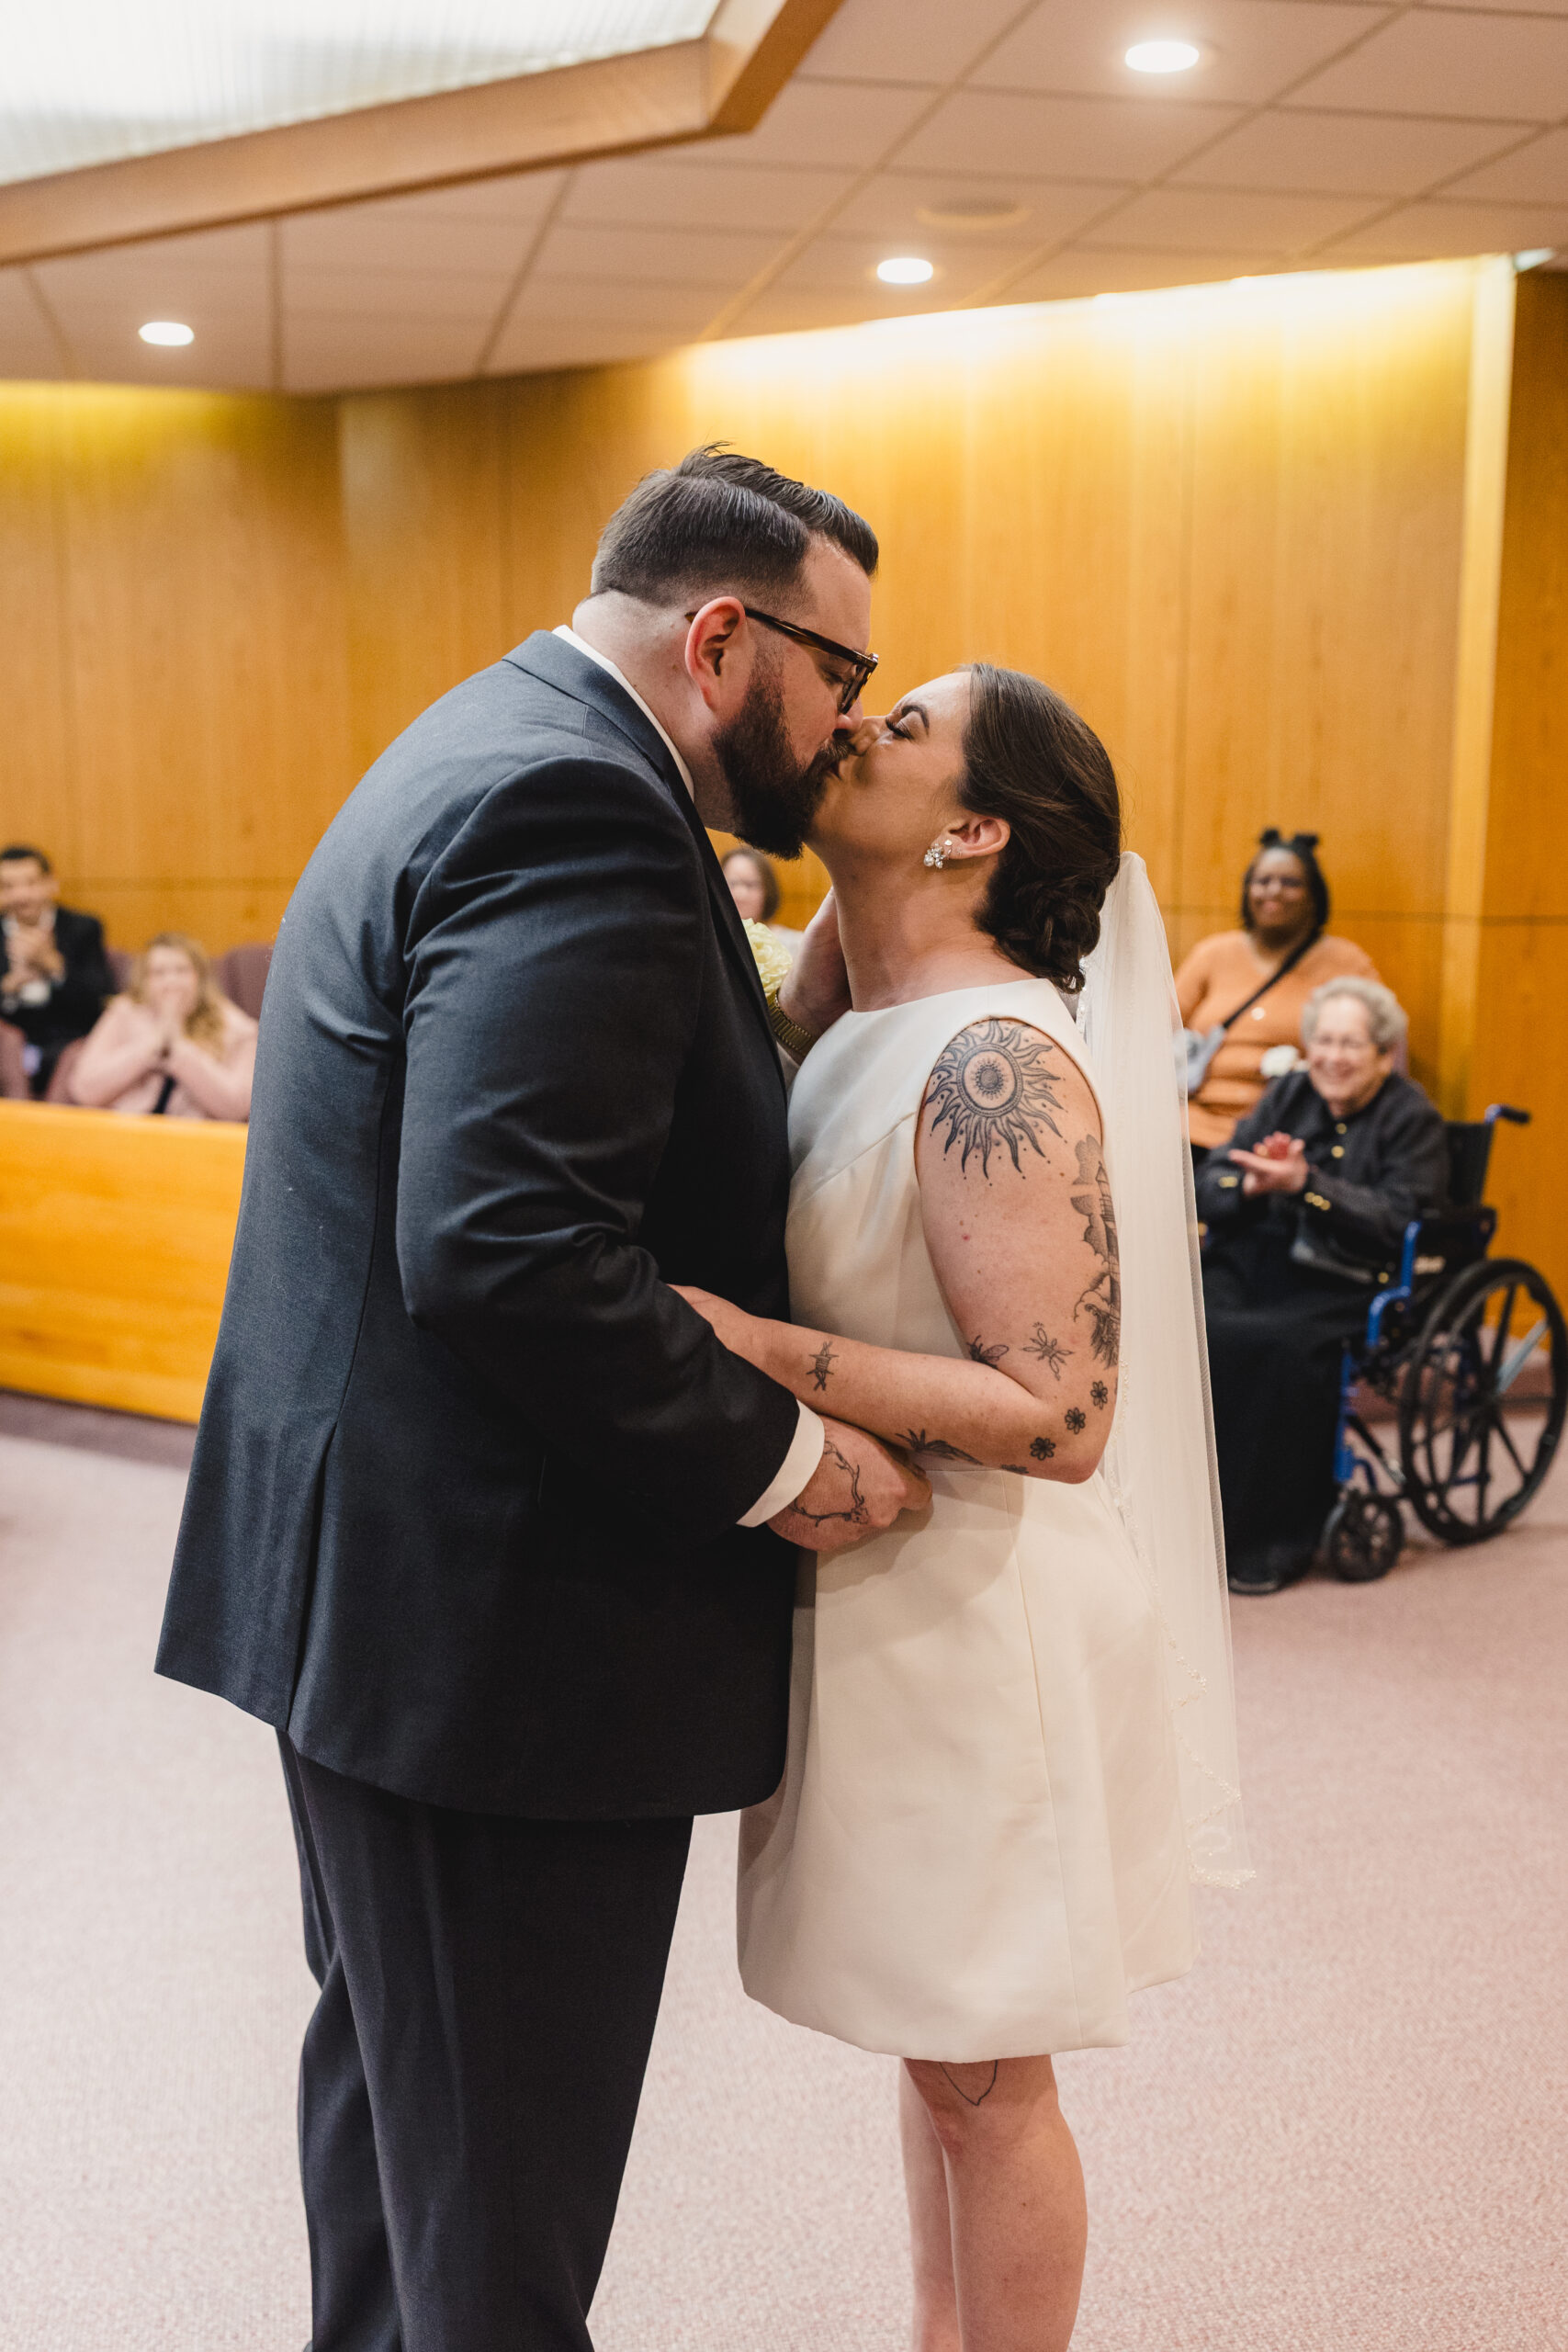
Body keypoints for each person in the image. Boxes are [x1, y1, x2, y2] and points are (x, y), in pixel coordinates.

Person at [155, 447, 930, 2352]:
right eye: (844, 667)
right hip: (498, 1641)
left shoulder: (492, 736)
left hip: (390, 1594)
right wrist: (777, 1453)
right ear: (724, 636)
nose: (846, 721)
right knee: (497, 2224)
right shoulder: (583, 804)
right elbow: (507, 1241)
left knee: (407, 2139)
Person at [676, 664, 1247, 2352]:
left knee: (990, 2078)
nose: (854, 728)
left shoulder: (994, 1052)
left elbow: (1058, 1413)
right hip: (893, 1603)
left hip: (980, 1624)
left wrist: (750, 1347)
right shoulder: (862, 1026)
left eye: (903, 727)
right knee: (945, 2052)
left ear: (978, 828)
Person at [1196, 977, 1448, 1597]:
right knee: (1180, 1314)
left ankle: (1261, 1538)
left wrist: (1308, 1185)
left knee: (1267, 1348)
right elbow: (1211, 1179)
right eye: (1324, 1041)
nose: (1333, 1056)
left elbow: (1396, 1218)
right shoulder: (1287, 1095)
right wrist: (1252, 1186)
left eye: (1351, 1043)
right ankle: (1184, 1521)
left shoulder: (1408, 1115)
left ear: (1382, 1052)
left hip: (1341, 1281)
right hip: (1255, 1261)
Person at [1176, 829, 1379, 1159]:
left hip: (1288, 1135)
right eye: (1263, 881)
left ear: (1314, 896)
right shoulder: (1212, 954)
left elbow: (1380, 1050)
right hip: (1190, 1128)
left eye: (1291, 883)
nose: (1274, 891)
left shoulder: (1346, 963)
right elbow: (1157, 1030)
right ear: (1247, 890)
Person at [65, 933, 256, 1120]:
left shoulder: (236, 1027)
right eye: (159, 973)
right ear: (144, 981)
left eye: (181, 971)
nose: (171, 982)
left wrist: (179, 1050)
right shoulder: (124, 1013)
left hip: (197, 1141)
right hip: (126, 1135)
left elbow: (237, 1107)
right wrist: (151, 1046)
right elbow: (85, 1090)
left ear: (200, 978)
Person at [0, 842, 116, 1097]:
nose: (20, 895)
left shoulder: (82, 928)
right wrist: (9, 987)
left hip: (66, 1040)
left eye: (30, 883)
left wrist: (53, 966)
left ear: (50, 884)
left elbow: (99, 998)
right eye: (7, 887)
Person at [722, 843, 802, 951]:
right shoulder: (706, 943)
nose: (740, 894)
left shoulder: (796, 944)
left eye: (750, 884)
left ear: (768, 890)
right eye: (732, 883)